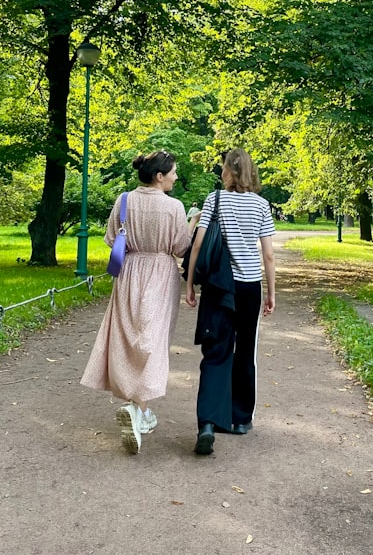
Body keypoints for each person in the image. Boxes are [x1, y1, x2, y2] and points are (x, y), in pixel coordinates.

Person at [80, 150, 191, 454]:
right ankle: (138, 410)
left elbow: (112, 238)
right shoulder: (174, 207)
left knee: (128, 336)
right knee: (151, 339)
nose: (176, 177)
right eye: (173, 172)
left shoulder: (124, 200)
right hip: (159, 272)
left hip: (128, 271)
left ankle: (136, 406)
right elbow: (181, 247)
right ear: (160, 176)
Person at [184, 148, 276, 456]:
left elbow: (198, 243)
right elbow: (268, 255)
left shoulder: (215, 200)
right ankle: (239, 420)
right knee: (245, 350)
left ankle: (208, 423)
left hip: (218, 286)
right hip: (249, 287)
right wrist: (271, 292)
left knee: (215, 352)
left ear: (227, 171)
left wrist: (189, 285)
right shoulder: (262, 205)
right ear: (250, 172)